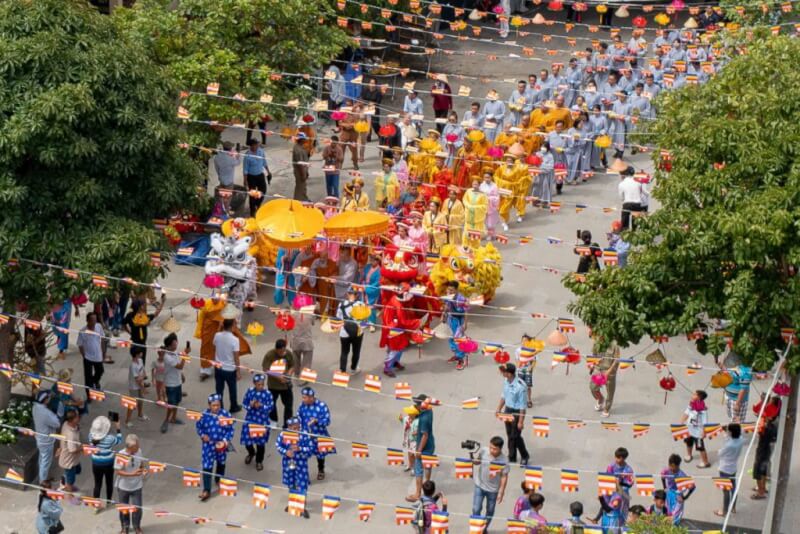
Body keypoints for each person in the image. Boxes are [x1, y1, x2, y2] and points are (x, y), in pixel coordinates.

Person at [196, 393, 235, 502]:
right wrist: (203, 435)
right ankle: (206, 490)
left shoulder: (226, 415)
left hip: (221, 445)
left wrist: (224, 441)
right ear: (209, 405)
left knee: (221, 462)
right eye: (214, 405)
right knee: (207, 466)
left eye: (218, 405)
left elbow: (230, 430)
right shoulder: (203, 415)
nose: (216, 407)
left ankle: (219, 479)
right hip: (208, 446)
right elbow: (199, 428)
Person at [380, 283, 422, 377]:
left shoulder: (394, 299)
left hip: (393, 328)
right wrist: (416, 322)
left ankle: (395, 362)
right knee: (395, 349)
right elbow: (403, 322)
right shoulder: (398, 305)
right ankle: (387, 367)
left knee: (400, 347)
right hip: (395, 330)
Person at [276, 417, 312, 518]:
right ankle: (293, 504)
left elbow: (310, 448)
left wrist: (301, 448)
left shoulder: (305, 434)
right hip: (288, 463)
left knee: (302, 484)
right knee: (291, 484)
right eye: (294, 428)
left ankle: (302, 507)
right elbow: (278, 445)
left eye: (298, 428)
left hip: (301, 464)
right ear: (289, 427)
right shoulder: (283, 434)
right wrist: (285, 452)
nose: (297, 430)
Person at [471, 436, 510, 528]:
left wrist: (501, 492)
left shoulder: (504, 460)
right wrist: (472, 458)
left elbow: (504, 476)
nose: (492, 450)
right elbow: (478, 462)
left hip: (493, 490)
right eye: (490, 447)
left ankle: (484, 528)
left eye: (495, 449)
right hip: (479, 485)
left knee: (490, 511)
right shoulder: (484, 451)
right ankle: (476, 528)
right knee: (476, 509)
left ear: (500, 449)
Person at [496, 363, 529, 466]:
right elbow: (504, 396)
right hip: (508, 410)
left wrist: (520, 422)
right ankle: (512, 456)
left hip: (516, 412)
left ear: (509, 374)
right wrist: (499, 408)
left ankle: (524, 456)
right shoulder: (506, 381)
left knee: (516, 436)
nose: (502, 373)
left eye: (504, 372)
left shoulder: (520, 386)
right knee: (509, 434)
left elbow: (523, 406)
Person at [297, 387, 334, 480]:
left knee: (320, 454)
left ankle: (321, 470)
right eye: (303, 397)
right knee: (302, 453)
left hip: (319, 434)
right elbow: (298, 417)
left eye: (304, 397)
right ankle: (301, 473)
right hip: (305, 434)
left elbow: (327, 421)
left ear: (311, 397)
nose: (303, 399)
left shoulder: (322, 406)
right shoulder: (302, 405)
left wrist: (317, 421)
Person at [240, 374, 273, 472]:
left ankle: (259, 461)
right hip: (250, 419)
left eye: (262, 384)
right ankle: (251, 453)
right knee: (247, 441)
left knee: (260, 443)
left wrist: (261, 406)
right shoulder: (250, 392)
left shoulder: (268, 394)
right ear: (254, 384)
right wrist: (250, 405)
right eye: (259, 384)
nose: (261, 386)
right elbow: (244, 404)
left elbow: (271, 408)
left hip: (262, 421)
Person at [115, 433, 147, 534]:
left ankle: (137, 526)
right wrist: (132, 474)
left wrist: (143, 470)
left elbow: (141, 464)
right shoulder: (121, 455)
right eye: (137, 446)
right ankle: (125, 527)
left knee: (137, 508)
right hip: (123, 487)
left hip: (137, 486)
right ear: (131, 447)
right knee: (124, 509)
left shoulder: (139, 452)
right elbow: (118, 471)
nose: (139, 447)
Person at [261, 339, 297, 428]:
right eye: (280, 352)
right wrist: (278, 376)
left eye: (283, 351)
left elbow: (292, 365)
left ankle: (287, 423)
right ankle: (273, 420)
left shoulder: (288, 354)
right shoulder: (270, 355)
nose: (282, 353)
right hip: (273, 385)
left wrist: (288, 374)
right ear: (276, 349)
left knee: (288, 405)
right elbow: (265, 369)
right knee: (271, 403)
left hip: (286, 385)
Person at [89, 415, 122, 509]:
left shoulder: (91, 436)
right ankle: (108, 502)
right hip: (108, 463)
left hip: (96, 463)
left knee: (97, 484)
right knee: (109, 482)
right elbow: (119, 440)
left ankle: (96, 506)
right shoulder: (110, 438)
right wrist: (118, 428)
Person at [407, 394, 435, 502]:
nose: (416, 405)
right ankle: (427, 489)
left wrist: (419, 450)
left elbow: (425, 435)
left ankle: (418, 493)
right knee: (428, 467)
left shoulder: (423, 419)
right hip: (431, 444)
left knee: (419, 470)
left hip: (423, 447)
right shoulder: (430, 410)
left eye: (418, 403)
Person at [751, 397, 779, 500]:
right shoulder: (772, 425)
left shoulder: (766, 427)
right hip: (766, 450)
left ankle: (760, 492)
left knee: (758, 471)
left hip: (763, 450)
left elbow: (761, 432)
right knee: (763, 471)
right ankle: (762, 488)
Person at [123, 295, 164, 364]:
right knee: (140, 363)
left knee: (136, 362)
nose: (144, 306)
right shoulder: (144, 318)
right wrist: (162, 302)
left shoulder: (130, 315)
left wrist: (129, 332)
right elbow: (156, 314)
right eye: (143, 305)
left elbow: (123, 324)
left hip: (135, 343)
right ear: (139, 307)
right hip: (140, 345)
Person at [159, 334, 187, 433]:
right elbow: (179, 366)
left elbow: (179, 367)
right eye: (175, 343)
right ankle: (166, 420)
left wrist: (182, 375)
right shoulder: (167, 357)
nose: (177, 344)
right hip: (171, 384)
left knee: (177, 401)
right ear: (169, 345)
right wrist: (185, 355)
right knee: (171, 404)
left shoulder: (174, 352)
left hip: (178, 382)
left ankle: (174, 418)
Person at [213, 318, 242, 413]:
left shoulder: (217, 335)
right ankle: (233, 406)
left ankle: (219, 408)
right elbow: (236, 357)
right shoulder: (235, 340)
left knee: (219, 389)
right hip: (230, 369)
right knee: (232, 389)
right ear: (232, 325)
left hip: (218, 367)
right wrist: (238, 371)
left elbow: (214, 344)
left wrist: (219, 328)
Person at [715, 423, 743, 517]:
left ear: (731, 432)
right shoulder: (741, 440)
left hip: (724, 468)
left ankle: (724, 511)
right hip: (733, 467)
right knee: (733, 487)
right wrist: (726, 431)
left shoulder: (729, 445)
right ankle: (733, 507)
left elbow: (720, 453)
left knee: (726, 490)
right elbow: (731, 437)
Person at [33, 390, 61, 483]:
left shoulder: (35, 407)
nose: (49, 399)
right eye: (48, 398)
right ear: (45, 400)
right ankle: (43, 482)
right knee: (46, 462)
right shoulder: (45, 413)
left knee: (42, 459)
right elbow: (57, 424)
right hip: (46, 441)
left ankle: (42, 477)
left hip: (40, 438)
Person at [78, 311, 105, 400]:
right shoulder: (82, 331)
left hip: (98, 356)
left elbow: (102, 339)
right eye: (92, 320)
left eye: (95, 320)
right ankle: (89, 395)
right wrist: (84, 355)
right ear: (88, 321)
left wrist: (103, 353)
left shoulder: (99, 327)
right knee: (87, 376)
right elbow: (80, 345)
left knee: (100, 371)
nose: (94, 322)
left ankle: (95, 382)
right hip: (88, 357)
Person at [337, 287, 364, 374]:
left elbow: (338, 317)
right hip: (358, 331)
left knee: (344, 351)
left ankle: (342, 370)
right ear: (356, 295)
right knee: (356, 351)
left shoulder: (341, 304)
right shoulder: (361, 304)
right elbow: (364, 318)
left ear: (347, 294)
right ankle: (353, 369)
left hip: (344, 332)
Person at [660, 454, 694, 524]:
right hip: (669, 493)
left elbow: (692, 487)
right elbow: (662, 477)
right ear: (668, 464)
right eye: (670, 466)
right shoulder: (666, 470)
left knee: (676, 516)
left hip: (678, 496)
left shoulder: (682, 475)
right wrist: (664, 488)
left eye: (674, 467)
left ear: (678, 466)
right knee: (668, 512)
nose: (672, 469)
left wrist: (685, 497)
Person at [589, 340, 620, 418]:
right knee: (593, 387)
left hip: (610, 371)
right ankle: (600, 399)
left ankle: (606, 409)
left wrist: (608, 372)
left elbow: (617, 360)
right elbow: (594, 355)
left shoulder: (615, 344)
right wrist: (593, 364)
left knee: (610, 392)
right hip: (599, 369)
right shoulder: (597, 342)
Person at [443, 281, 469, 370]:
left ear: (457, 290)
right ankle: (456, 356)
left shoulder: (461, 299)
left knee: (458, 340)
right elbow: (446, 306)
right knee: (451, 339)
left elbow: (465, 311)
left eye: (452, 290)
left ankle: (461, 360)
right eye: (448, 289)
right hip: (450, 319)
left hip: (458, 321)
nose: (449, 291)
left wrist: (465, 324)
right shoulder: (447, 296)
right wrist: (443, 315)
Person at [720, 352, 752, 423]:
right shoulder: (737, 367)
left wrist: (737, 404)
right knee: (731, 417)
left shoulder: (746, 372)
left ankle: (734, 433)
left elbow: (743, 389)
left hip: (737, 400)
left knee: (736, 422)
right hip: (729, 397)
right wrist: (720, 364)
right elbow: (728, 373)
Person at [682, 390, 710, 467]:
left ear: (699, 397)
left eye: (694, 394)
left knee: (700, 447)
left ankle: (705, 462)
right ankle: (689, 455)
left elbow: (705, 422)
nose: (692, 395)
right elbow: (686, 413)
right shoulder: (691, 405)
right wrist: (681, 422)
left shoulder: (703, 411)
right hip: (689, 429)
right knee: (688, 443)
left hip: (698, 432)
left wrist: (704, 431)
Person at [243, 139, 270, 216]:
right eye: (255, 145)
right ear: (251, 146)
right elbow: (245, 169)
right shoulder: (247, 155)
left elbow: (264, 162)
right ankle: (252, 211)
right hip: (251, 177)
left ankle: (257, 204)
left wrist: (268, 172)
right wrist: (245, 180)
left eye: (257, 144)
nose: (257, 146)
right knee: (252, 194)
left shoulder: (261, 151)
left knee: (263, 191)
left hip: (260, 175)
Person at [58, 409, 82, 492]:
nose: (79, 417)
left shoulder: (66, 424)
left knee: (78, 470)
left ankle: (64, 481)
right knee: (71, 480)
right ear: (72, 420)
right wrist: (82, 448)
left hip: (73, 460)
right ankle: (68, 493)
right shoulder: (70, 434)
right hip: (69, 461)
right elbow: (72, 449)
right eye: (77, 417)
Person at [124, 348, 148, 427]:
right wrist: (143, 388)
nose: (142, 353)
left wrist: (143, 377)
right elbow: (137, 380)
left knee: (141, 401)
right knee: (132, 404)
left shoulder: (140, 360)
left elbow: (143, 372)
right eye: (140, 352)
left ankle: (140, 415)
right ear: (137, 354)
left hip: (140, 385)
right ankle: (127, 421)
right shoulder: (133, 366)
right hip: (134, 387)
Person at [515, 335, 538, 409]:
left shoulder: (532, 350)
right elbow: (517, 359)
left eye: (525, 341)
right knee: (520, 386)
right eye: (522, 340)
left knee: (528, 386)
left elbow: (534, 361)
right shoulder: (518, 350)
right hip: (520, 371)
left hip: (528, 371)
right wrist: (518, 366)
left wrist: (531, 368)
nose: (523, 342)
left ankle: (529, 400)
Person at [291, 132, 310, 201]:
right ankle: (298, 201)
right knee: (300, 187)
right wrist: (303, 174)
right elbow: (300, 164)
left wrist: (306, 172)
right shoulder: (298, 150)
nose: (305, 140)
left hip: (303, 170)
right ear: (301, 139)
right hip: (299, 172)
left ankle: (304, 198)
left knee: (303, 187)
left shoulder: (300, 147)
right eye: (304, 139)